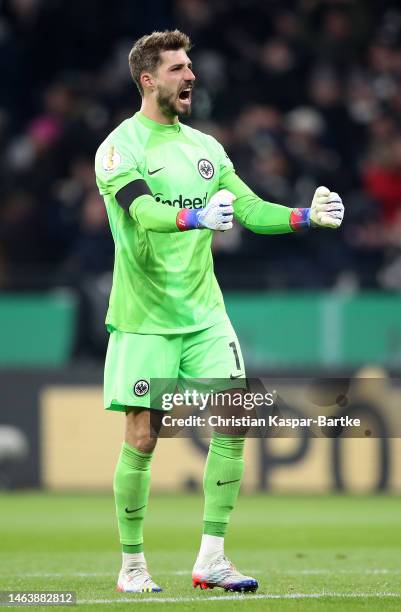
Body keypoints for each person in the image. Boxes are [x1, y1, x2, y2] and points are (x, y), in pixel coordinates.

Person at [94, 29, 344, 595]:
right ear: (148, 79)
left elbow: (252, 210)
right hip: (144, 318)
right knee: (143, 437)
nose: (191, 77)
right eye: (179, 69)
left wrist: (308, 218)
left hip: (206, 314)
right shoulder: (119, 147)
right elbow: (144, 213)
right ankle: (132, 566)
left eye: (191, 66)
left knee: (234, 422)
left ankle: (212, 558)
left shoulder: (206, 148)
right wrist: (198, 219)